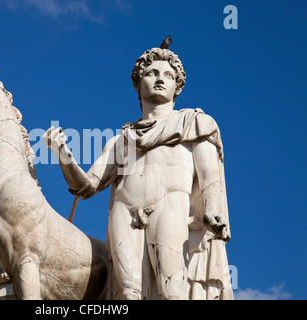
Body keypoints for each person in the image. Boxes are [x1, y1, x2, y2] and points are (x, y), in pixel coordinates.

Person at [43, 47, 233, 300]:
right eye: (152, 73)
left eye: (168, 75)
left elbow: (210, 176)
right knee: (128, 293)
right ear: (138, 83)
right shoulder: (121, 140)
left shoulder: (194, 123)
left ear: (177, 86)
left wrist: (211, 208)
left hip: (170, 204)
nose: (160, 78)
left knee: (172, 289)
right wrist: (63, 155)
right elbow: (86, 187)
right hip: (125, 210)